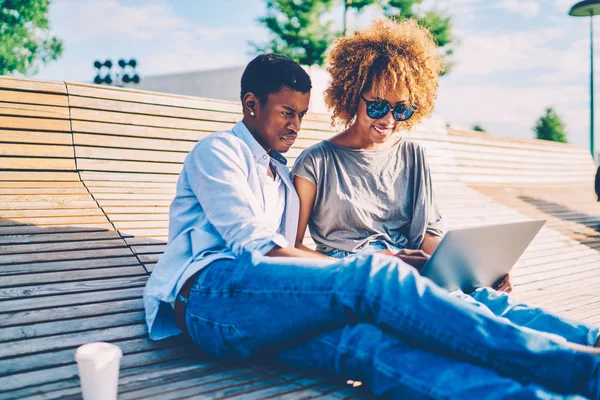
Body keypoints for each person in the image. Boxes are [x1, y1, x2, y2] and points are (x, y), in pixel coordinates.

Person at [144, 52, 600, 400]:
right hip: (209, 295)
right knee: (375, 279)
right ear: (250, 104)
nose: (297, 126)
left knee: (371, 348)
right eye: (287, 113)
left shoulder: (280, 175)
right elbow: (257, 248)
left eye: (301, 115)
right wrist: (364, 265)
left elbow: (288, 256)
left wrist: (438, 264)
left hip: (258, 311)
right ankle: (575, 368)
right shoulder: (219, 152)